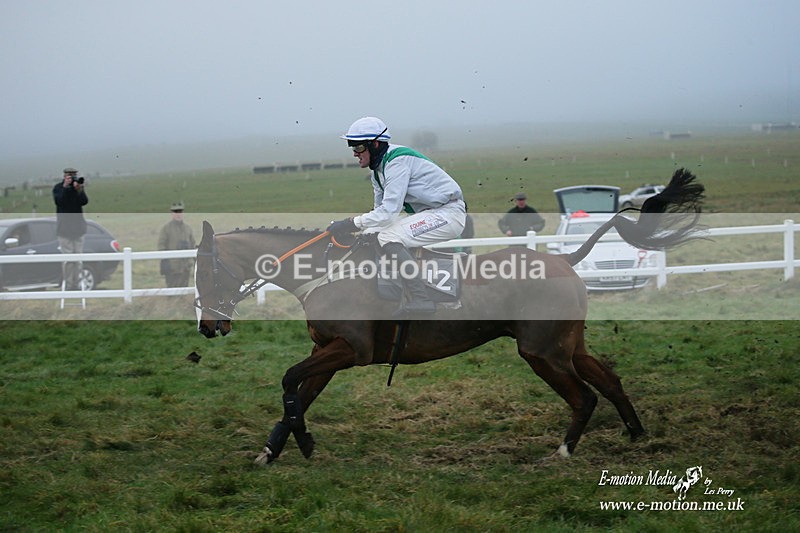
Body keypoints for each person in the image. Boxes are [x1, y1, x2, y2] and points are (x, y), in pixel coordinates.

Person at [327, 116, 466, 317]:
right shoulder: (378, 171)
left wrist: (351, 223)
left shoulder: (396, 162)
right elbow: (380, 214)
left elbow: (388, 212)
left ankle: (421, 299)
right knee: (377, 234)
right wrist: (365, 230)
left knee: (388, 237)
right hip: (431, 213)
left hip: (448, 214)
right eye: (352, 148)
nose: (355, 154)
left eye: (358, 148)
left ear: (374, 144)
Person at [52, 167, 88, 290]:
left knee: (78, 259)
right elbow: (60, 201)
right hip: (64, 230)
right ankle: (68, 284)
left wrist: (79, 190)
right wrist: (66, 187)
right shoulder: (58, 188)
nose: (72, 178)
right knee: (68, 260)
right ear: (64, 176)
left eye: (73, 175)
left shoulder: (77, 188)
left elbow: (84, 201)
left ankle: (77, 283)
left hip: (78, 229)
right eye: (69, 175)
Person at [158, 201, 196, 288]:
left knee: (184, 289)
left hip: (186, 267)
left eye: (180, 212)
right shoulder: (166, 229)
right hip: (172, 267)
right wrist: (165, 261)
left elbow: (193, 244)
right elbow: (161, 246)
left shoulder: (188, 229)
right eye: (176, 212)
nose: (178, 214)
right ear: (172, 214)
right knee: (172, 290)